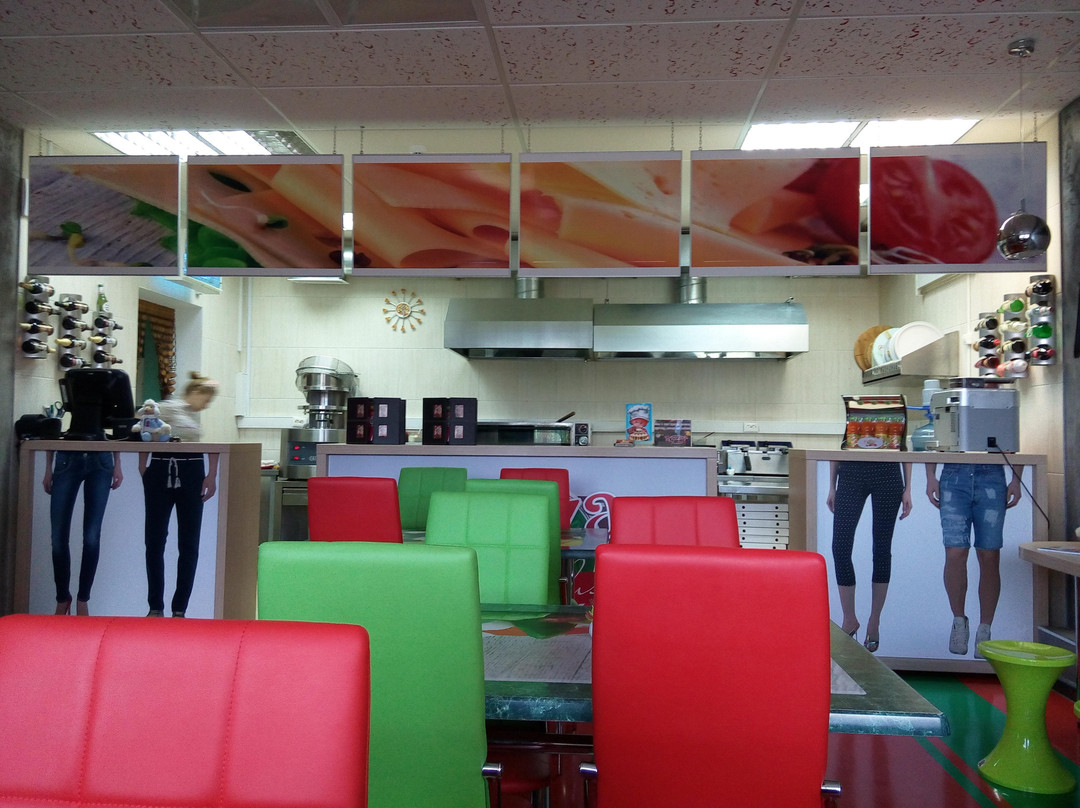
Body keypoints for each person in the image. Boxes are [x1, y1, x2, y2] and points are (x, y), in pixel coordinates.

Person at [139, 373, 219, 618]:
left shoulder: (193, 415)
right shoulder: (166, 407)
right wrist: (143, 465)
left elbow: (210, 447)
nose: (206, 405)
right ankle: (155, 606)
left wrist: (212, 474)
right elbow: (144, 428)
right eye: (206, 399)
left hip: (192, 472)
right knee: (154, 541)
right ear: (196, 393)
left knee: (189, 543)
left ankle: (179, 608)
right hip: (161, 469)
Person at [926, 462, 1022, 656]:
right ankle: (959, 622)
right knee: (955, 552)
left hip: (992, 474)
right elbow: (934, 444)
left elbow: (1014, 447)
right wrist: (930, 476)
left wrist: (1016, 480)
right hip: (954, 475)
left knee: (989, 554)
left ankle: (985, 629)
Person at [827, 460, 913, 652]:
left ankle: (874, 620)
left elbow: (904, 449)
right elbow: (839, 447)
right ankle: (849, 618)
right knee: (840, 547)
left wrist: (908, 488)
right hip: (851, 470)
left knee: (882, 549)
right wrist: (832, 486)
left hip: (887, 471)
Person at [42, 449, 123, 615]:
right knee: (58, 538)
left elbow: (115, 434)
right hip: (67, 457)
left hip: (101, 458)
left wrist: (118, 463)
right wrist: (48, 467)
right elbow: (50, 433)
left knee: (92, 537)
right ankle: (62, 598)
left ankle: (83, 599)